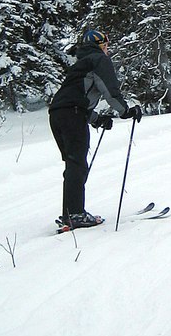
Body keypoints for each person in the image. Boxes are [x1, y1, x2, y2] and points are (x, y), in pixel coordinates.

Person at [49, 28, 142, 229]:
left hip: (57, 114)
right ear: (100, 45)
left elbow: (74, 98)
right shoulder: (99, 60)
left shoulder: (80, 64)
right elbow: (109, 90)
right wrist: (125, 111)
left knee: (73, 163)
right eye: (106, 45)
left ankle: (70, 213)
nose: (107, 49)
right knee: (77, 164)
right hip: (72, 114)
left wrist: (96, 119)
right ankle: (74, 214)